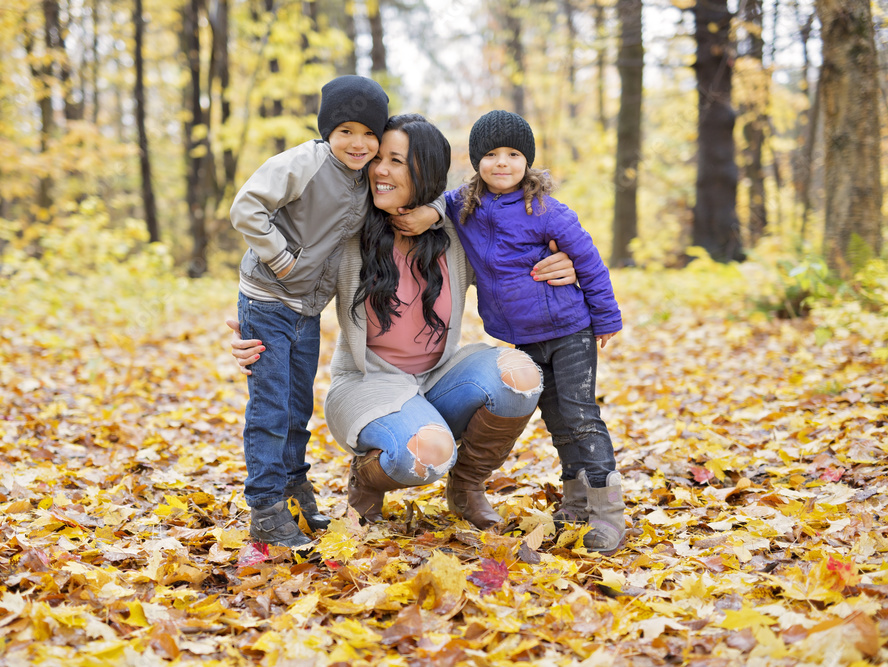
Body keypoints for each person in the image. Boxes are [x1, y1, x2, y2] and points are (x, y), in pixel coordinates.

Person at [232, 114, 578, 532]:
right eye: (380, 158)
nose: (379, 169)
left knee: (521, 376)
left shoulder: (458, 230)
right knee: (427, 454)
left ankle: (466, 488)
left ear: (425, 171)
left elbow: (517, 253)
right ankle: (367, 475)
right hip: (366, 383)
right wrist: (252, 327)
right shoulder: (350, 231)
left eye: (396, 161)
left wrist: (565, 265)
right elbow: (285, 285)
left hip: (439, 375)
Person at [230, 76, 444, 547]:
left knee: (295, 406)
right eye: (346, 130)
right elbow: (246, 207)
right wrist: (280, 257)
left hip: (304, 310)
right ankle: (265, 508)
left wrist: (434, 212)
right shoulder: (304, 163)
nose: (359, 143)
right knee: (270, 407)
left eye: (370, 133)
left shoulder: (364, 182)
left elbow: (448, 197)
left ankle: (294, 492)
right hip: (268, 300)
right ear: (328, 130)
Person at [446, 110, 626, 553]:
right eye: (490, 154)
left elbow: (589, 262)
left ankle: (608, 512)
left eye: (512, 154)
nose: (501, 162)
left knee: (581, 415)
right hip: (524, 338)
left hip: (569, 330)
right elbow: (428, 205)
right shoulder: (463, 206)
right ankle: (576, 499)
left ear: (527, 160)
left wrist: (606, 318)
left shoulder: (545, 209)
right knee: (558, 421)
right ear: (475, 161)